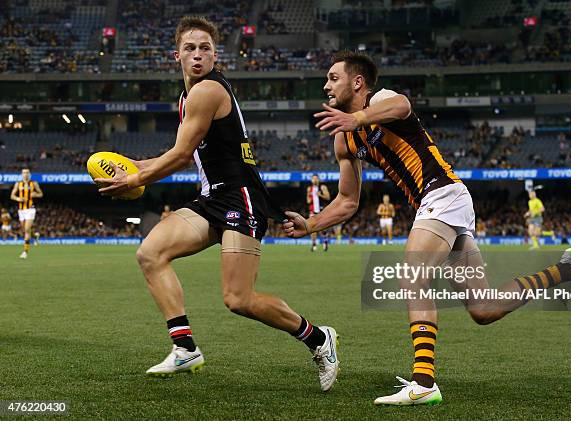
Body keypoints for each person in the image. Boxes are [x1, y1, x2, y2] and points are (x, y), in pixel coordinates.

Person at [283, 51, 571, 406]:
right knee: (484, 309)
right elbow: (348, 200)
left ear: (357, 82)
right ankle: (569, 268)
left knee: (413, 273)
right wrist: (312, 224)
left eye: (333, 77)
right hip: (442, 203)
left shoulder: (379, 101)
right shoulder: (344, 139)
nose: (326, 84)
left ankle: (424, 383)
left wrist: (356, 117)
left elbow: (403, 106)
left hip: (443, 192)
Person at [95, 16, 339, 392]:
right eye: (190, 48)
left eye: (205, 48)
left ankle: (319, 338)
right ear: (176, 54)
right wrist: (134, 168)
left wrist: (134, 179)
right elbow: (178, 152)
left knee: (238, 299)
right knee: (150, 254)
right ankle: (185, 348)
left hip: (241, 200)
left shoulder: (207, 91)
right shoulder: (187, 97)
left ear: (214, 54)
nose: (197, 54)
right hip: (212, 199)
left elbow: (179, 158)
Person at [10, 168, 43, 258]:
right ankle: (35, 236)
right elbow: (12, 195)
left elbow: (41, 194)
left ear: (30, 174)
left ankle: (25, 251)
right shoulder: (18, 184)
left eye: (27, 172)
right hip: (21, 210)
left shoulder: (34, 183)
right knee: (25, 230)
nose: (25, 174)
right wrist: (18, 199)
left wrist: (35, 194)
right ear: (21, 174)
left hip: (30, 209)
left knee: (27, 228)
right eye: (24, 172)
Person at [306, 174, 330, 251]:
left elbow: (328, 197)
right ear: (311, 180)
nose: (315, 180)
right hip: (313, 210)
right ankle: (314, 244)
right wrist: (310, 196)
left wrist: (320, 195)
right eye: (313, 179)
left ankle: (325, 242)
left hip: (321, 210)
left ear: (318, 179)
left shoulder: (323, 187)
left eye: (316, 178)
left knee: (323, 228)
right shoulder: (309, 189)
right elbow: (308, 201)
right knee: (312, 228)